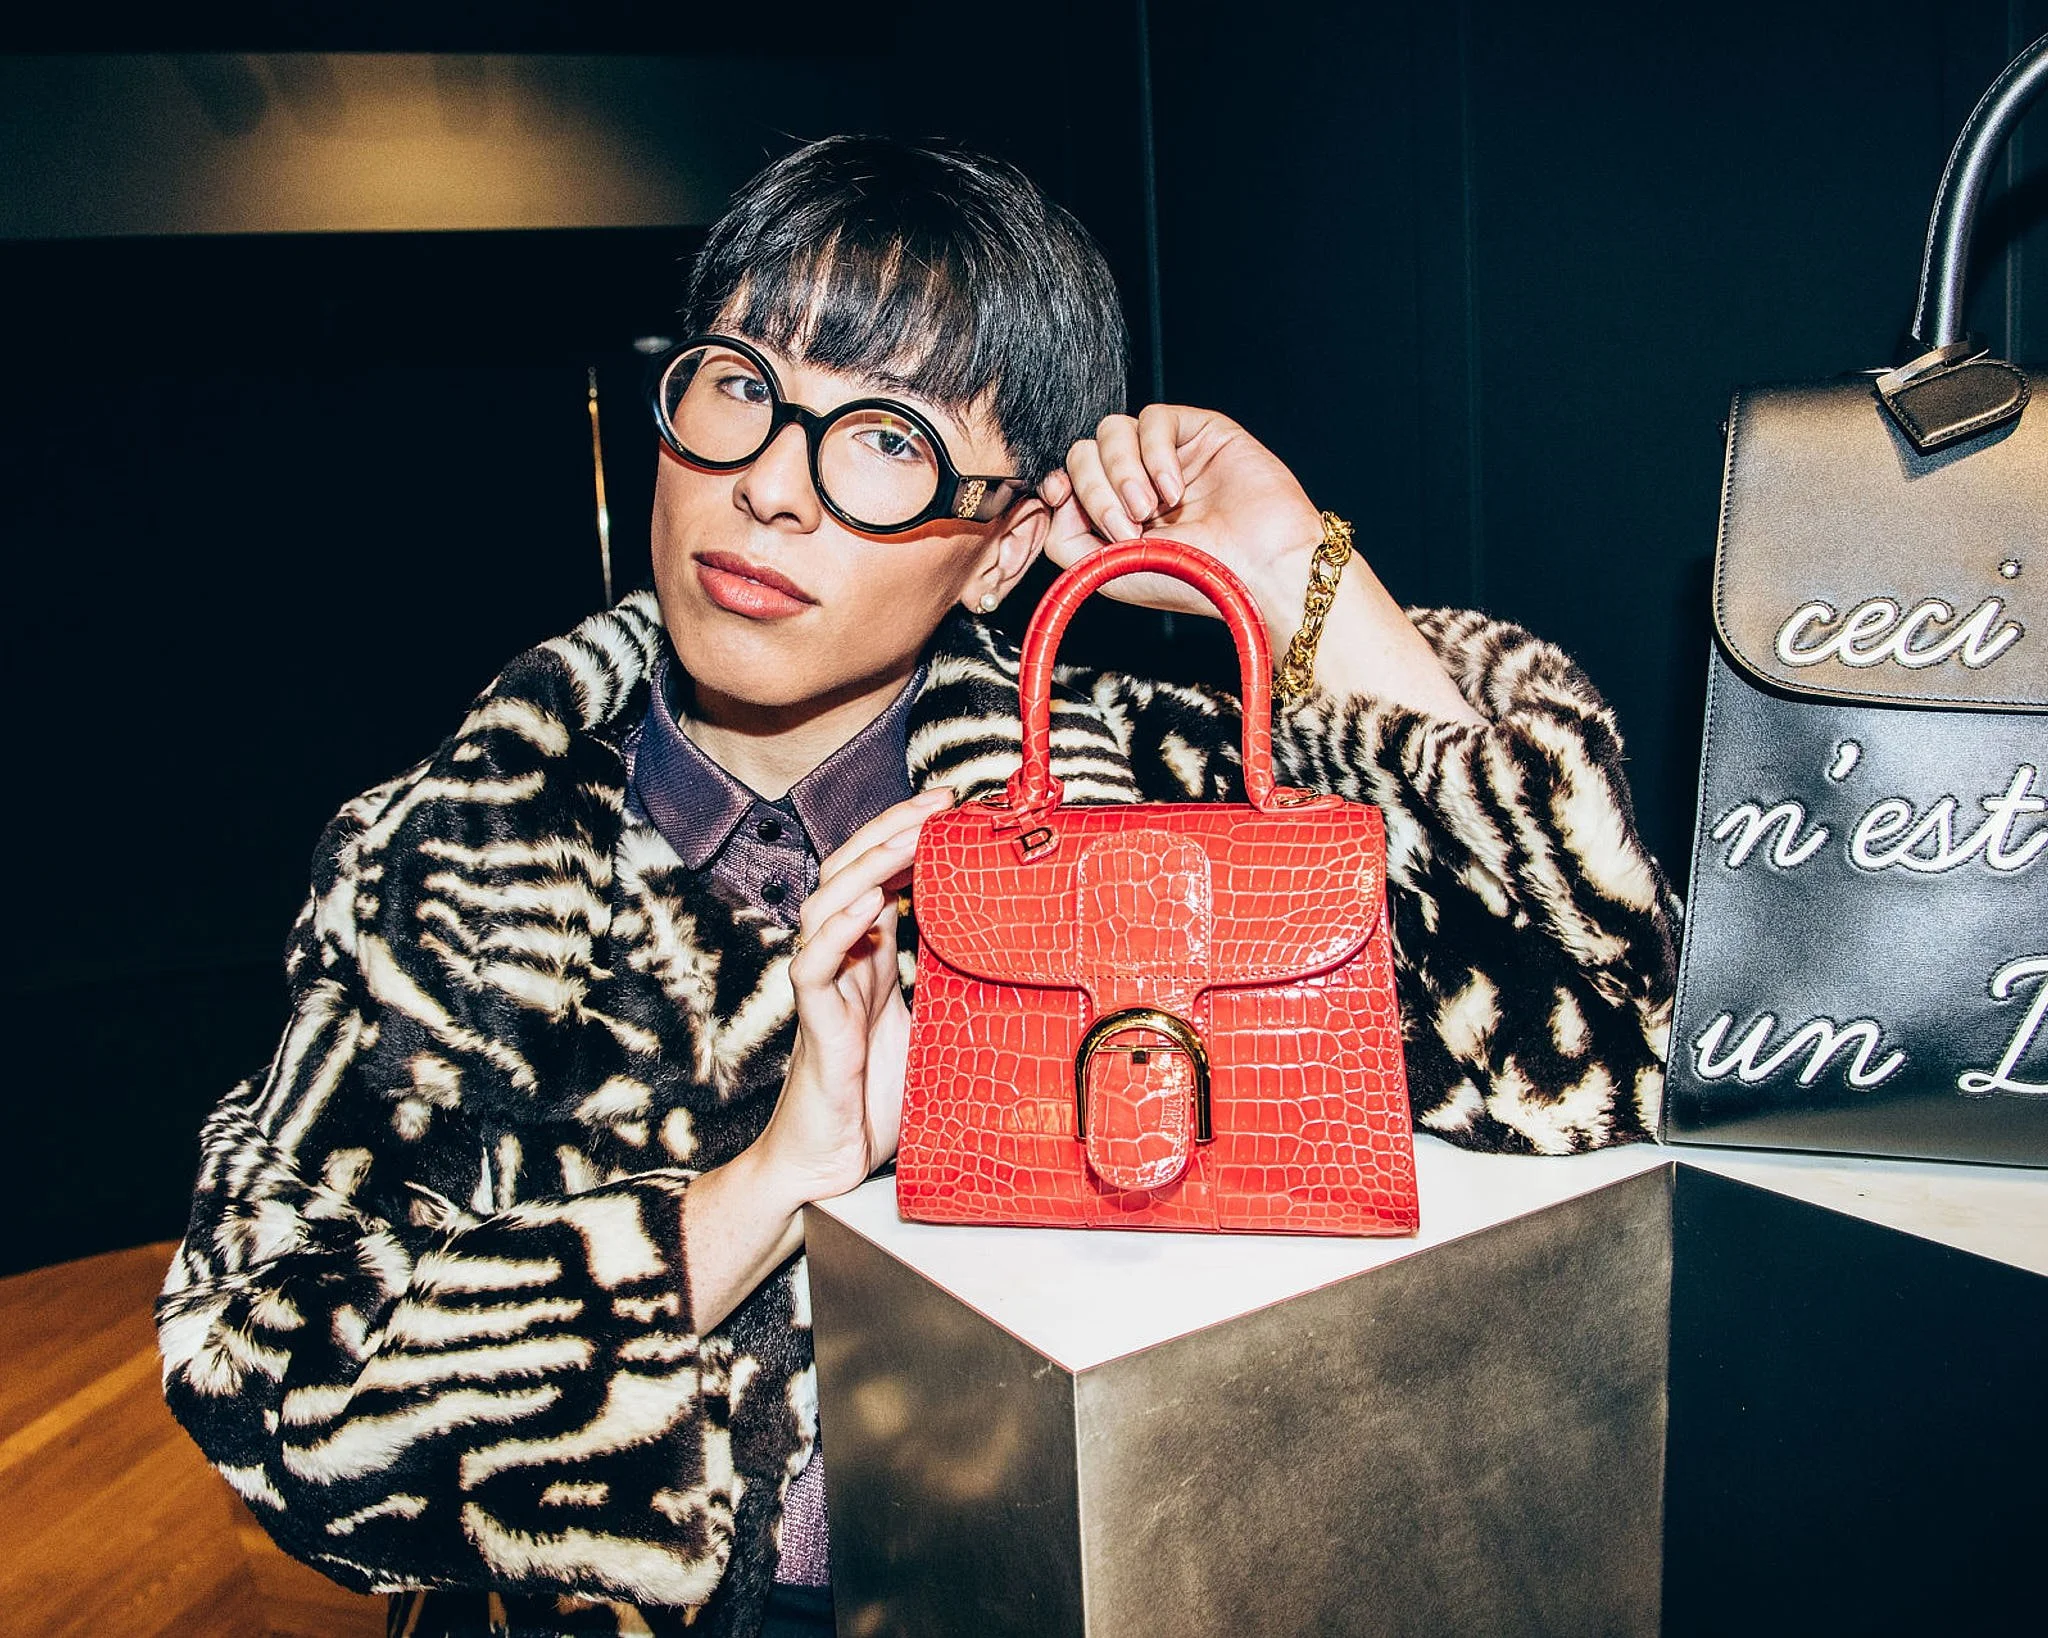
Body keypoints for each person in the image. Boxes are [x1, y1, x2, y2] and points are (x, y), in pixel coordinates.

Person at [157, 135, 1678, 1638]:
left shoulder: (1147, 814)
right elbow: (264, 1379)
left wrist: (1299, 581)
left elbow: (1615, 1044)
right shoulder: (450, 862)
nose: (768, 488)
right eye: (741, 389)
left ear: (1008, 543)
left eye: (884, 437)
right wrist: (769, 1183)